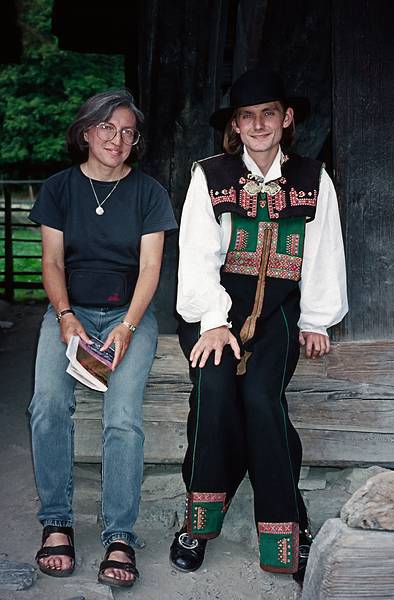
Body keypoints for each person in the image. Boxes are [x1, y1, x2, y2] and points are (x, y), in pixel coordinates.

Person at [169, 68, 348, 582]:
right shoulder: (212, 175)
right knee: (214, 386)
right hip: (214, 310)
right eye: (248, 116)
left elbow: (322, 252)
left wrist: (316, 318)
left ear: (286, 118)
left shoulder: (313, 179)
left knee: (261, 399)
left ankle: (286, 525)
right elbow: (198, 254)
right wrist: (212, 321)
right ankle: (199, 521)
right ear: (235, 126)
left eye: (269, 113)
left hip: (279, 314)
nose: (259, 124)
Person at [28, 89, 177, 588]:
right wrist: (65, 316)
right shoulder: (59, 188)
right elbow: (51, 262)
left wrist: (128, 325)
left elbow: (151, 268)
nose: (118, 139)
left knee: (123, 417)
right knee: (47, 404)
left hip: (127, 315)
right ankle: (57, 523)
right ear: (87, 131)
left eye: (128, 132)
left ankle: (119, 536)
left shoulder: (149, 193)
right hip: (68, 312)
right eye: (108, 128)